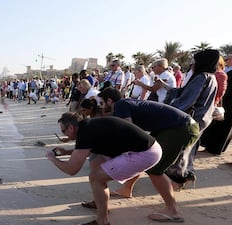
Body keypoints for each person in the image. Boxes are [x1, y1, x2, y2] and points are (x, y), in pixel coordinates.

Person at [84, 87, 198, 222]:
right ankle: (127, 189)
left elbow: (126, 131)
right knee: (141, 155)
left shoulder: (120, 105)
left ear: (109, 101)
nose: (101, 108)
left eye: (102, 103)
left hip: (181, 128)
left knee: (155, 169)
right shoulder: (126, 105)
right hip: (176, 126)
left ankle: (172, 210)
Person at [47, 113, 162, 225]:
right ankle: (99, 202)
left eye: (63, 131)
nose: (64, 134)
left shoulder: (85, 133)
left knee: (96, 177)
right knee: (96, 161)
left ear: (71, 128)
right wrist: (67, 152)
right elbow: (87, 148)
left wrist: (52, 158)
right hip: (149, 148)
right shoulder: (88, 126)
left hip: (145, 154)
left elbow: (71, 170)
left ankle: (102, 221)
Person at [165, 49, 219, 189]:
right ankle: (187, 174)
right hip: (202, 119)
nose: (192, 64)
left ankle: (178, 180)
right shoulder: (211, 77)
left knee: (182, 149)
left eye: (195, 61)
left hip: (192, 119)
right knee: (190, 148)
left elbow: (187, 100)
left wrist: (170, 110)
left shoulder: (201, 77)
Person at [200, 54, 231, 155]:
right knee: (214, 126)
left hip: (229, 103)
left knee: (223, 128)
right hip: (223, 102)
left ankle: (216, 149)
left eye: (228, 59)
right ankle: (209, 147)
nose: (226, 60)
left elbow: (222, 90)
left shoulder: (224, 73)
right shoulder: (226, 71)